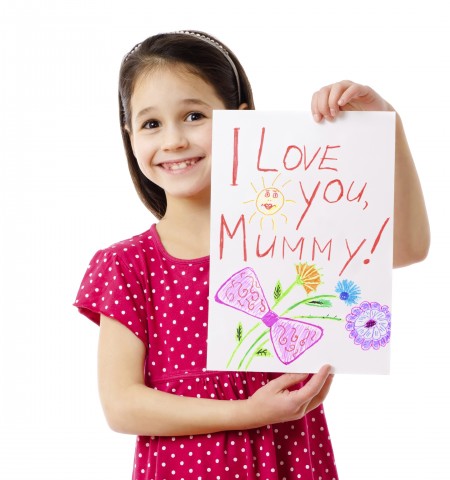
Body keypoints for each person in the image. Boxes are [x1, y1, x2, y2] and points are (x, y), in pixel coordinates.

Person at [73, 30, 430, 480]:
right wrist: (249, 412)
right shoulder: (127, 265)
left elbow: (409, 247)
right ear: (130, 136)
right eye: (151, 124)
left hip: (288, 462)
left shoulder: (288, 236)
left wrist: (387, 126)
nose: (174, 140)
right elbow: (122, 406)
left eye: (194, 115)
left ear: (241, 120)